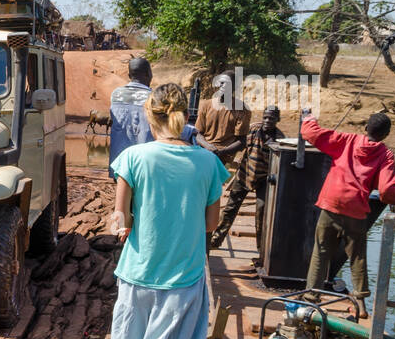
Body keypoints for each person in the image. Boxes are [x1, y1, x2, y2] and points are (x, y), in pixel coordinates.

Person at [109, 83, 229, 339]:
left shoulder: (133, 158)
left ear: (149, 114)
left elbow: (120, 219)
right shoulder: (209, 164)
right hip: (185, 280)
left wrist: (126, 225)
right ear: (185, 115)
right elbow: (212, 224)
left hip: (139, 276)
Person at [301, 111, 395, 310]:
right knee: (357, 255)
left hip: (331, 203)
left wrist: (308, 118)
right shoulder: (385, 155)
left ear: (366, 128)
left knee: (321, 251)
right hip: (355, 210)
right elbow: (386, 191)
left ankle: (311, 297)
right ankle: (360, 302)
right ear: (386, 134)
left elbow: (312, 134)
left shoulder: (348, 139)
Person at [108, 58, 209, 179]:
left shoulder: (116, 95)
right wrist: (194, 132)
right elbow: (172, 126)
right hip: (146, 165)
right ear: (149, 74)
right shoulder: (154, 99)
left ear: (129, 75)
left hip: (120, 166)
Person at [208, 105, 285, 259]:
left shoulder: (279, 139)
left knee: (261, 212)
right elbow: (240, 144)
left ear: (277, 120)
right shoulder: (253, 129)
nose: (267, 120)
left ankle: (261, 250)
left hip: (263, 179)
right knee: (230, 208)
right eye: (265, 117)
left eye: (271, 118)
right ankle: (216, 241)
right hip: (244, 174)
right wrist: (222, 152)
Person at [194, 71, 251, 167]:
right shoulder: (206, 105)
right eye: (221, 83)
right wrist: (207, 146)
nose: (222, 86)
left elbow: (242, 141)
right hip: (204, 151)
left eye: (227, 84)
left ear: (235, 87)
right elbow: (198, 134)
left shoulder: (242, 109)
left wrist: (221, 152)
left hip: (225, 156)